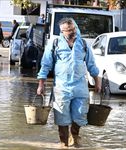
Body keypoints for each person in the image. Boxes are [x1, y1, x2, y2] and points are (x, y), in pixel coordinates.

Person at [36, 18, 101, 148]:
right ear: (62, 31)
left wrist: (97, 82)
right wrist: (41, 84)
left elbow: (91, 64)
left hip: (80, 87)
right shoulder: (55, 44)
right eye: (69, 30)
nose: (73, 32)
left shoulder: (82, 44)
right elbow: (45, 65)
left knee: (80, 115)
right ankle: (64, 144)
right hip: (61, 88)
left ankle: (75, 136)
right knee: (62, 119)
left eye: (74, 29)